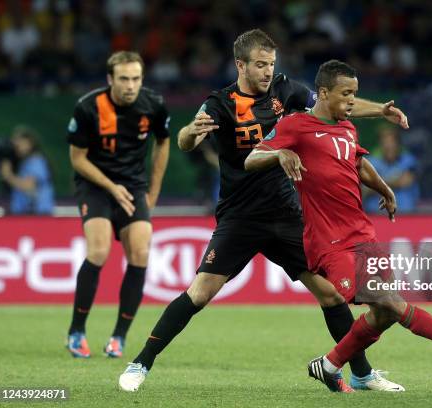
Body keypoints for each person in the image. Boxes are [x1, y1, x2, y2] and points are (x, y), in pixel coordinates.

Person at [119, 29, 409, 392]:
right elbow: (185, 142)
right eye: (259, 64)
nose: (267, 71)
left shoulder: (287, 92)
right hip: (240, 217)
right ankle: (140, 362)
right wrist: (193, 130)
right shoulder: (220, 102)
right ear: (240, 64)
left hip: (288, 214)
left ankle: (362, 374)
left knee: (331, 295)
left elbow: (336, 102)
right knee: (200, 292)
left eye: (270, 64)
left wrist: (379, 110)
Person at [245, 60, 432, 393]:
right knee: (389, 302)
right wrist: (278, 156)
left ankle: (328, 365)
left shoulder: (348, 129)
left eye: (355, 94)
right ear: (323, 93)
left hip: (363, 234)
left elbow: (358, 164)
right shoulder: (296, 125)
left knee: (385, 313)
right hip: (330, 242)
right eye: (346, 94)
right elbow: (252, 158)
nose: (351, 101)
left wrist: (385, 189)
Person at [66, 51, 171, 359]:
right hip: (95, 185)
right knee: (98, 251)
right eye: (124, 79)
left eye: (136, 78)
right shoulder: (88, 107)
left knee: (140, 251)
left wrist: (153, 194)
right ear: (110, 79)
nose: (130, 85)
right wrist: (112, 186)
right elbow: (77, 159)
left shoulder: (153, 105)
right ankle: (76, 332)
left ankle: (118, 337)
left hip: (134, 186)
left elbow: (164, 142)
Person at [0, 125, 55, 215]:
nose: (16, 146)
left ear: (30, 143)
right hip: (26, 215)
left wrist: (8, 175)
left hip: (37, 216)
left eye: (20, 142)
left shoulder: (36, 161)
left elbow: (29, 186)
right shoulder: (24, 162)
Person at [363, 126, 419, 214]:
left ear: (398, 144)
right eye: (385, 142)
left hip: (405, 215)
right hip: (376, 215)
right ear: (380, 145)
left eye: (392, 142)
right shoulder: (370, 162)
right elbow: (365, 189)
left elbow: (406, 181)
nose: (389, 146)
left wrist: (378, 183)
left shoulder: (408, 160)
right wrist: (395, 180)